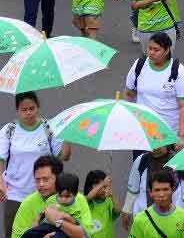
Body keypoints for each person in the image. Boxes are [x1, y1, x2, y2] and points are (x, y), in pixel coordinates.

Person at [0, 94, 68, 236]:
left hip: (46, 195)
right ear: (17, 110)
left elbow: (64, 156)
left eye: (32, 108)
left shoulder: (48, 128)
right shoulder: (9, 130)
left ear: (38, 107)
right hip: (15, 196)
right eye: (24, 109)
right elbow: (1, 159)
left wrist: (68, 135)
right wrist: (1, 182)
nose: (28, 113)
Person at [124, 31, 184, 145]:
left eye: (156, 50)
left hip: (168, 134)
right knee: (141, 162)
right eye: (149, 48)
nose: (151, 52)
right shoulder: (139, 65)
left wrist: (181, 136)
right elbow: (128, 94)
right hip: (142, 133)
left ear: (167, 50)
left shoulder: (178, 71)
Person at [127, 170, 184, 238]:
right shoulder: (140, 220)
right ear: (150, 192)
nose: (161, 194)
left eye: (165, 189)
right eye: (157, 190)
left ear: (173, 190)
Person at [10, 155, 64, 238]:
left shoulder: (73, 200)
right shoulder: (28, 203)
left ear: (59, 178)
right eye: (37, 180)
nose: (41, 184)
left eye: (46, 179)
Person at [84, 170, 121, 238]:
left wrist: (113, 196)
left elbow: (118, 211)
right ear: (92, 187)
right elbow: (89, 197)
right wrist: (103, 184)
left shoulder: (108, 201)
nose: (104, 189)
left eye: (105, 187)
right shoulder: (87, 202)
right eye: (101, 187)